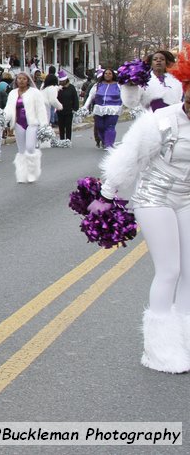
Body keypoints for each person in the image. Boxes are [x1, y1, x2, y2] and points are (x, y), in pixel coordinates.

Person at [94, 49, 190, 372]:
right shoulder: (160, 122)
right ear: (185, 90)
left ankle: (185, 339)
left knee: (189, 272)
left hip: (187, 199)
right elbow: (128, 159)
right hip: (154, 198)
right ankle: (159, 350)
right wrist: (105, 197)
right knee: (170, 270)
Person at [4, 71, 49, 183]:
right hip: (19, 123)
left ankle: (32, 172)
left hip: (32, 123)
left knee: (30, 147)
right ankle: (22, 175)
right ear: (16, 80)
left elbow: (41, 108)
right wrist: (3, 119)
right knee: (21, 150)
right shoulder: (13, 93)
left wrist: (44, 124)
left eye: (24, 79)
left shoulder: (35, 92)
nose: (21, 81)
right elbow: (9, 108)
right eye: (19, 78)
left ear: (28, 80)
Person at [120, 50, 182, 114]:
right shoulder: (143, 80)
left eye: (162, 59)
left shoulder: (175, 81)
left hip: (172, 119)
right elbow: (131, 103)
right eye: (155, 59)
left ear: (166, 63)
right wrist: (130, 86)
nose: (158, 60)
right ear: (151, 63)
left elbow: (178, 102)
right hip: (151, 119)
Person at [83, 67, 122, 149]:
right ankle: (104, 141)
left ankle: (109, 144)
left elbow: (125, 96)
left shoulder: (118, 85)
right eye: (106, 73)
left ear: (113, 75)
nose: (107, 75)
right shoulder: (97, 85)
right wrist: (85, 107)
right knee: (100, 127)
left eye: (110, 73)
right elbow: (90, 96)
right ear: (103, 75)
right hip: (99, 109)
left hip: (113, 109)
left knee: (110, 126)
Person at [56, 72, 80, 141]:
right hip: (60, 110)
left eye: (63, 81)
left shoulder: (71, 87)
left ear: (66, 80)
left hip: (69, 110)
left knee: (68, 126)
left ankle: (68, 139)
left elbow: (75, 98)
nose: (62, 82)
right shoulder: (58, 88)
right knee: (61, 126)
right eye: (60, 81)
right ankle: (62, 139)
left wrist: (75, 108)